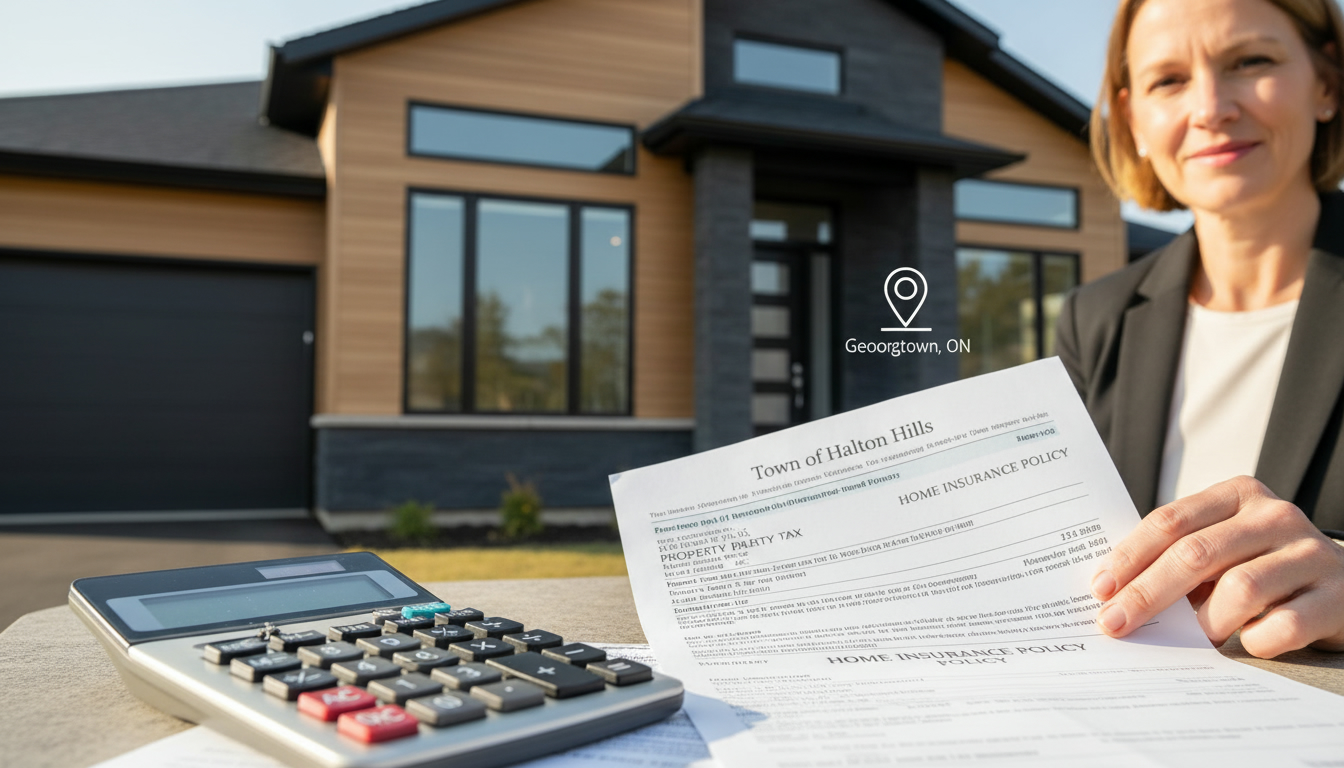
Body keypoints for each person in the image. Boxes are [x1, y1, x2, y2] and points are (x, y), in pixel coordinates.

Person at [1057, 0, 1344, 658]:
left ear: (1327, 84)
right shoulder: (1094, 319)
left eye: (1251, 61)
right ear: (1134, 120)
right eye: (1169, 80)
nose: (1211, 108)